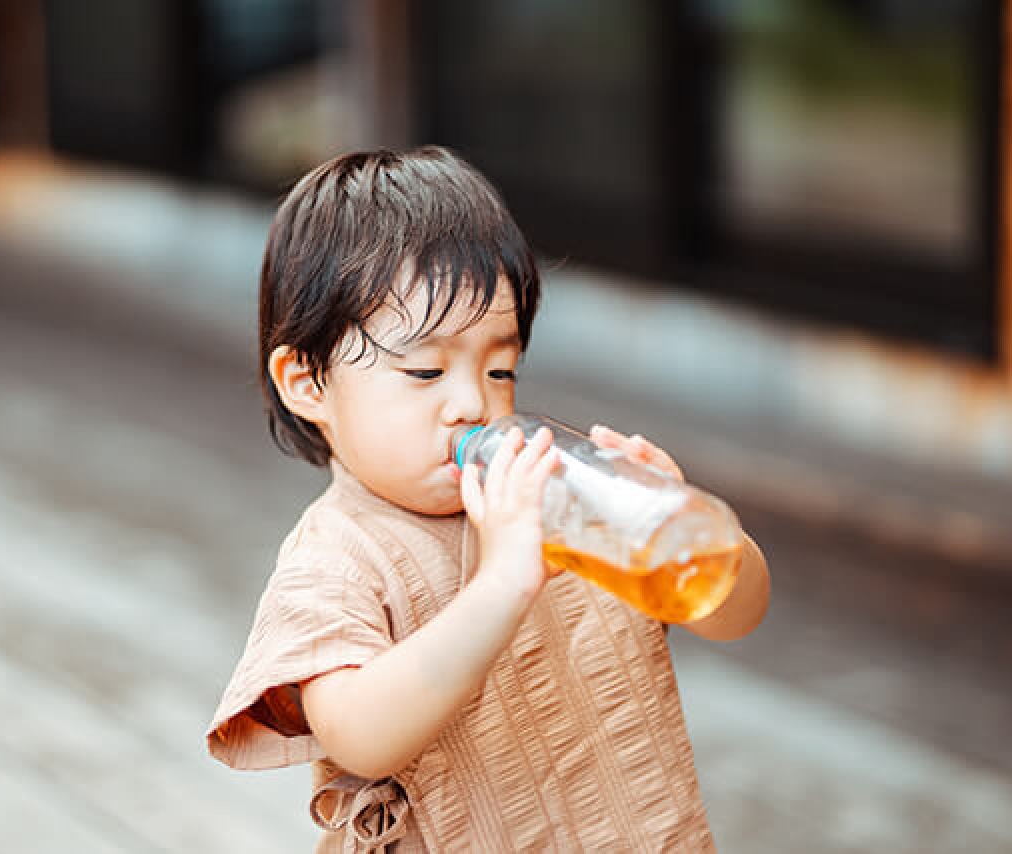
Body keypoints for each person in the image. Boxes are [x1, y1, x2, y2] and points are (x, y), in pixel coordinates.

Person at [207, 146, 770, 852]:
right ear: (307, 383)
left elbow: (736, 612)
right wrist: (499, 587)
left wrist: (684, 525)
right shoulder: (338, 556)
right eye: (425, 370)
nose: (472, 402)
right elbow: (359, 735)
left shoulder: (554, 502)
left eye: (501, 367)